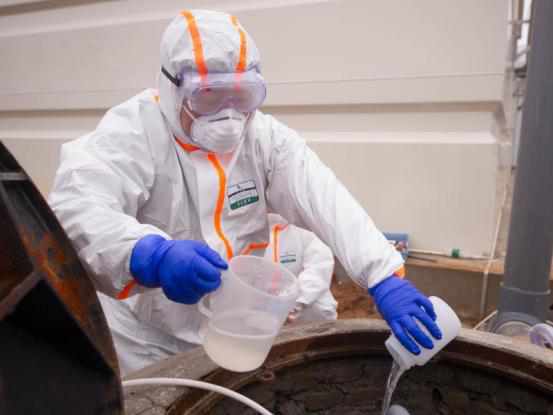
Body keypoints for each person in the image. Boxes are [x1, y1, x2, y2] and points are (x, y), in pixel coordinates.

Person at [48, 9, 441, 376]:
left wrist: (382, 275)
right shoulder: (133, 132)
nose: (229, 114)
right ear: (172, 88)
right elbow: (77, 207)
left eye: (243, 95)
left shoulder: (264, 138)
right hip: (144, 337)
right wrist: (148, 254)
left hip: (231, 327)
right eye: (209, 96)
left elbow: (326, 199)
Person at [264, 213, 337, 323]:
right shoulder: (248, 231)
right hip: (262, 301)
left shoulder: (306, 228)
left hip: (299, 299)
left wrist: (291, 300)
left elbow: (318, 268)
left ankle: (319, 332)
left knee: (319, 305)